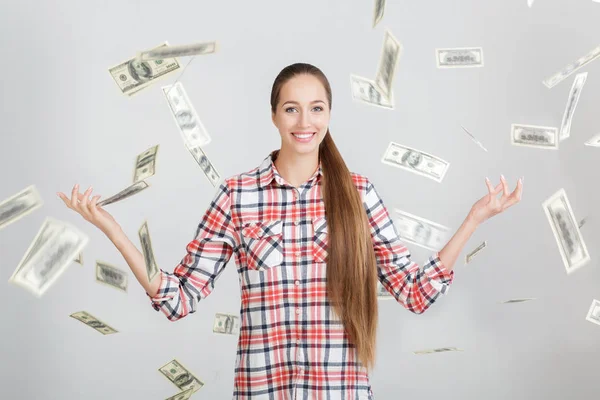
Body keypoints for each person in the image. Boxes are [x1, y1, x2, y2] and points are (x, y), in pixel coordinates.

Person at [57, 62, 523, 399]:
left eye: (316, 108)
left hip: (340, 390)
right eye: (292, 109)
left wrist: (475, 218)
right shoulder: (237, 196)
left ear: (329, 115)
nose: (305, 122)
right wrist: (112, 229)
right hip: (262, 389)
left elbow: (415, 293)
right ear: (275, 116)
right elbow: (178, 299)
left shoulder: (358, 195)